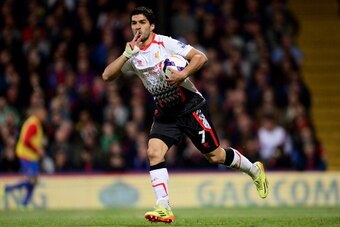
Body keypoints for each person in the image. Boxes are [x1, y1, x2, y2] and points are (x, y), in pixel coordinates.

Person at [102, 6, 269, 223]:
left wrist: (183, 75)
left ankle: (254, 170)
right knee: (154, 152)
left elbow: (200, 57)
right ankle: (163, 206)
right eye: (134, 23)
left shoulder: (165, 43)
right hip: (165, 111)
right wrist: (126, 54)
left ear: (151, 26)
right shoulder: (132, 55)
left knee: (215, 156)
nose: (137, 27)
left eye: (142, 22)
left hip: (190, 106)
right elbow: (107, 76)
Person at [2, 105, 47, 209]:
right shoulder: (33, 124)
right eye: (43, 113)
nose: (45, 115)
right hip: (27, 156)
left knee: (33, 180)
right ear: (38, 113)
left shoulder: (34, 123)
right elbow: (26, 140)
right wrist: (38, 150)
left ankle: (24, 204)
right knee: (30, 180)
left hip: (31, 156)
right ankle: (9, 189)